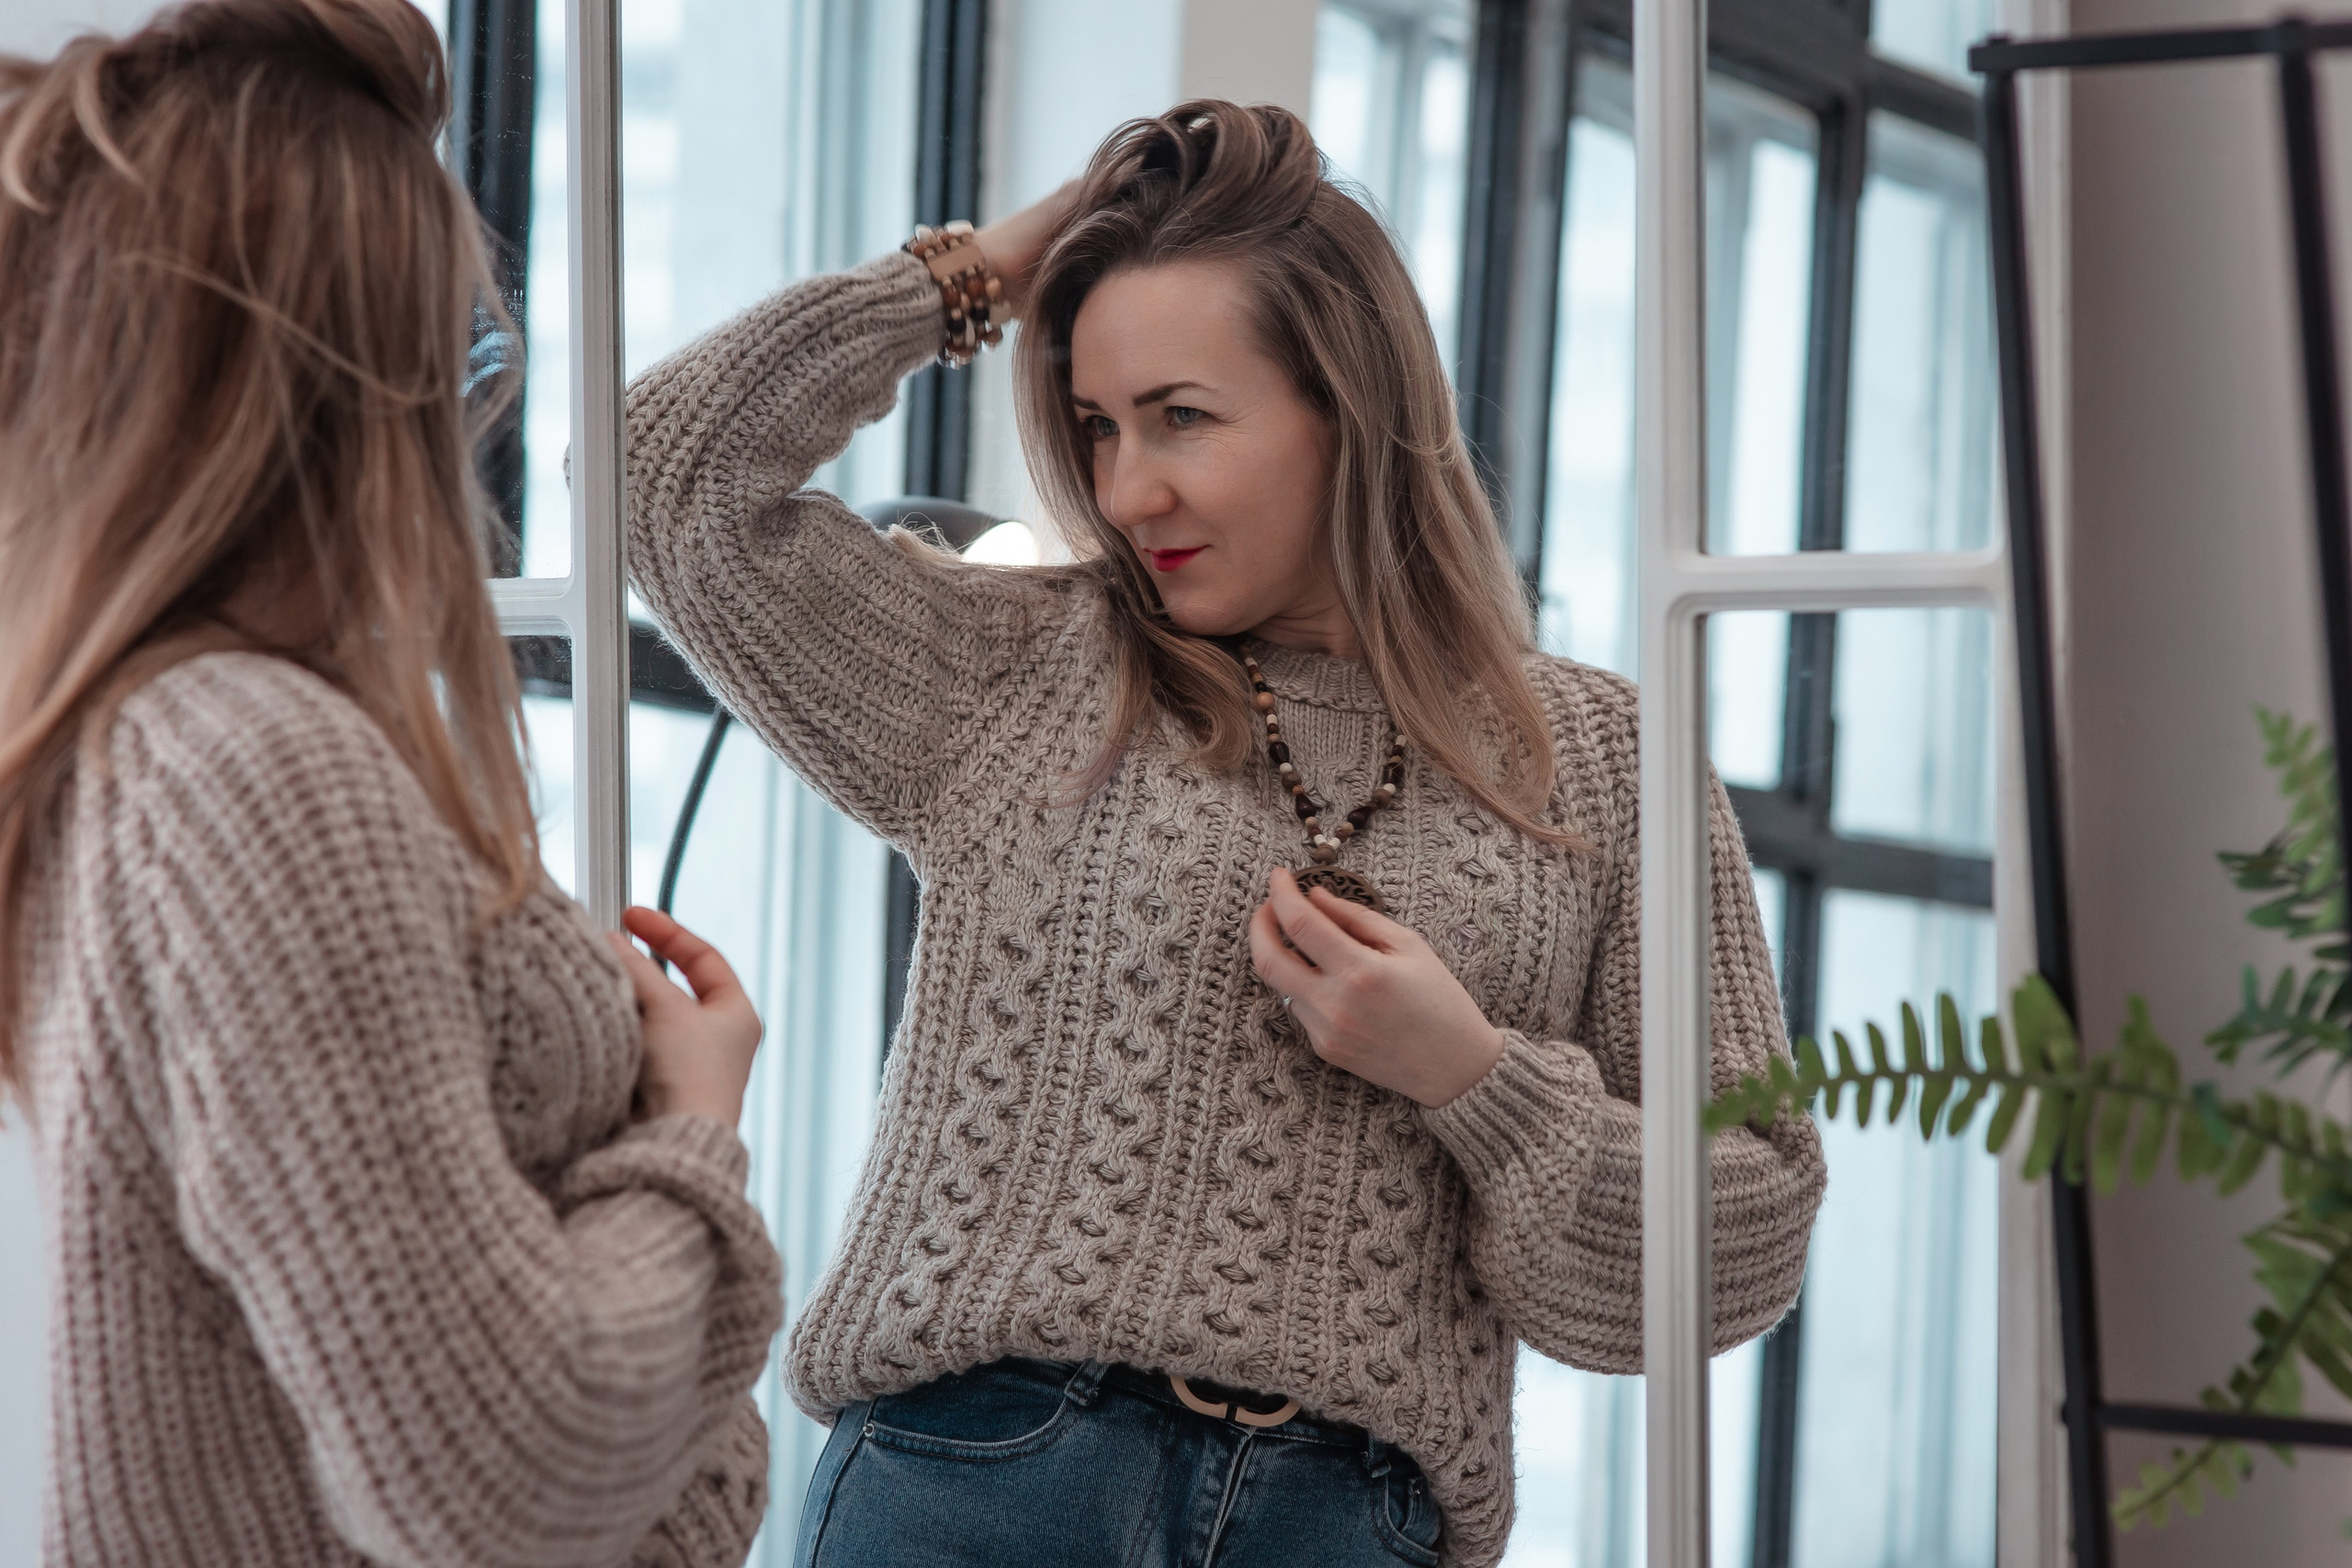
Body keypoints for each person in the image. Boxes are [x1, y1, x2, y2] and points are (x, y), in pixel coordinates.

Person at [627, 101, 1826, 1567]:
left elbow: (1744, 1240)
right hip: (982, 1482)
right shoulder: (1021, 672)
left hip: (1347, 1520)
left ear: (1351, 410)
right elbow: (662, 479)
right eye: (1098, 426)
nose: (1128, 492)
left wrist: (1471, 1077)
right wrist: (982, 270)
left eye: (1182, 417)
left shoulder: (1607, 762)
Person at [0, 2, 783, 1563]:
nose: (470, 411)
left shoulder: (192, 737)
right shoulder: (254, 767)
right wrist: (696, 1130)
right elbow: (493, 1473)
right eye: (459, 353)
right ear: (351, 388)